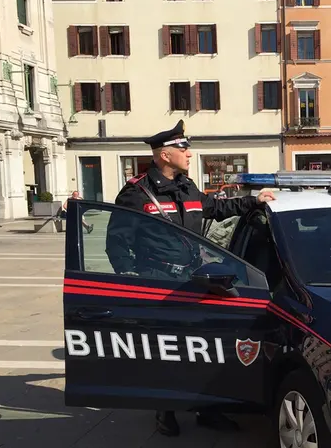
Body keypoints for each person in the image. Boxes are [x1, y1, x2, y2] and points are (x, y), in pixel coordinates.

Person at [104, 119, 276, 437]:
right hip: (160, 284)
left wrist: (254, 201)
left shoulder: (188, 188)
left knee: (204, 349)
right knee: (167, 352)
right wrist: (134, 280)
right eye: (183, 148)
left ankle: (207, 409)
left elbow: (217, 208)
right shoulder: (136, 194)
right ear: (164, 154)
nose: (189, 154)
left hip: (196, 281)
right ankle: (165, 411)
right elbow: (116, 243)